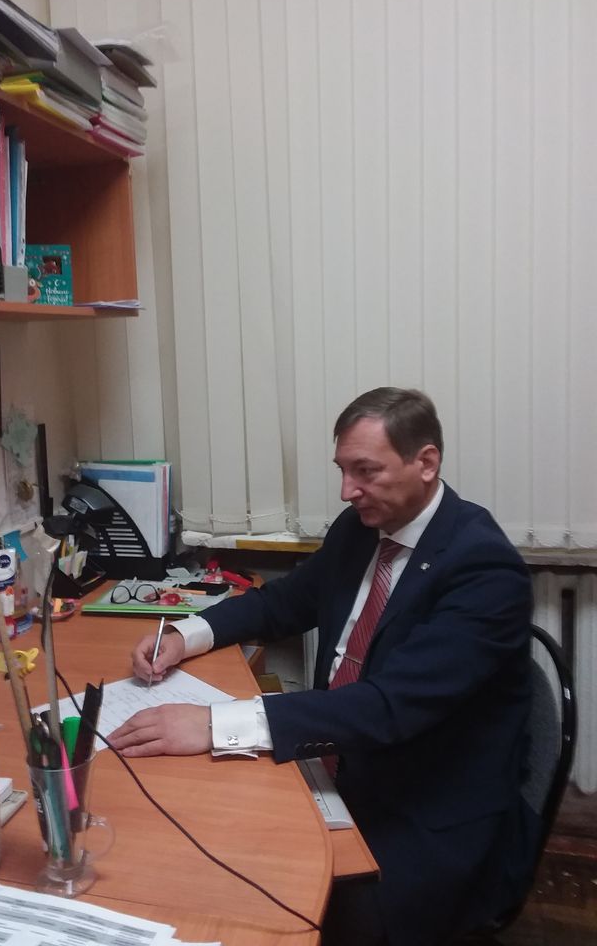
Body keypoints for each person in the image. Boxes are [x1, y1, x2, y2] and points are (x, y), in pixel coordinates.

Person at [109, 387, 538, 946]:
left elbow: (388, 707)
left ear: (426, 462)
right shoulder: (361, 528)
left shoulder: (484, 569)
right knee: (199, 841)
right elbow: (284, 603)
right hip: (342, 760)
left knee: (291, 905)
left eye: (365, 471)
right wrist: (185, 635)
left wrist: (214, 724)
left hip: (426, 802)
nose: (346, 491)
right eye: (342, 470)